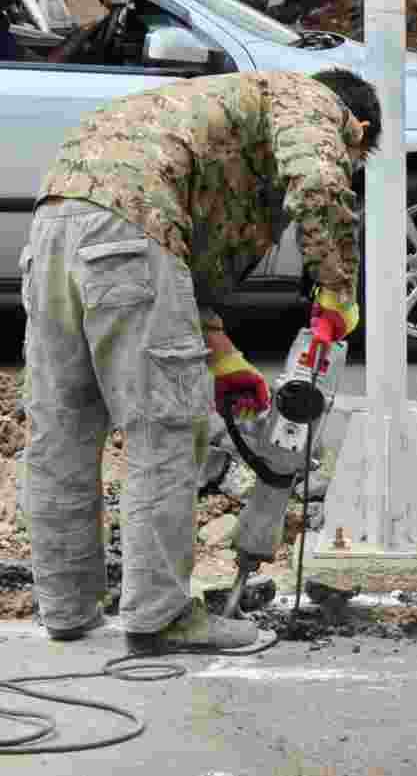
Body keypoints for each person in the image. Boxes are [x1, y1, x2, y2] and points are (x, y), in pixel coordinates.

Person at [21, 68, 381, 654]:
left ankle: (66, 606)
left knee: (63, 429)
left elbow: (187, 272)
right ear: (356, 128)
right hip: (130, 226)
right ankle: (160, 616)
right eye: (354, 156)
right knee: (164, 430)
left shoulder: (213, 116)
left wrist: (224, 359)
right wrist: (338, 290)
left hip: (55, 225)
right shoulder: (310, 98)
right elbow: (318, 183)